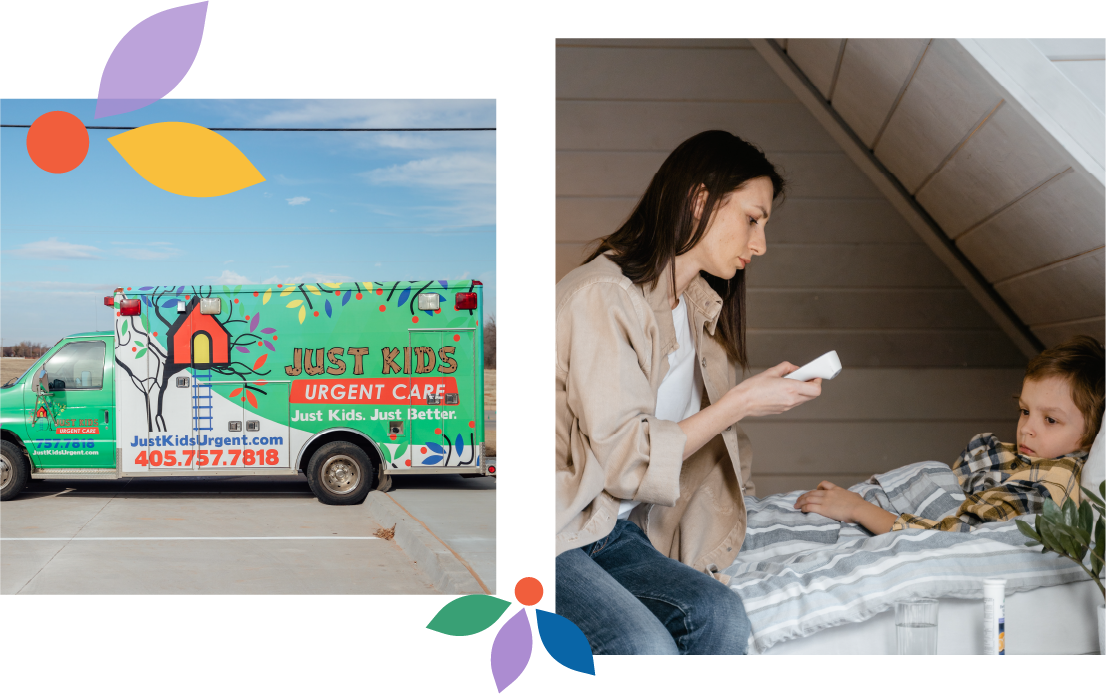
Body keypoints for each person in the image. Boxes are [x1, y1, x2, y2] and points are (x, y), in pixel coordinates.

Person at [554, 130, 823, 670]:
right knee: (644, 647)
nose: (761, 243)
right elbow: (626, 461)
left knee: (721, 616)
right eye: (753, 218)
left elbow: (723, 451)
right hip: (558, 528)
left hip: (616, 533)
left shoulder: (699, 309)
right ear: (700, 201)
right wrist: (741, 401)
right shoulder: (601, 296)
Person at [795, 335, 1106, 533]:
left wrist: (857, 508)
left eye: (1051, 420)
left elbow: (956, 535)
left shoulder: (1053, 479)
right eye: (1025, 411)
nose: (1027, 428)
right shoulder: (998, 451)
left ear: (1091, 438)